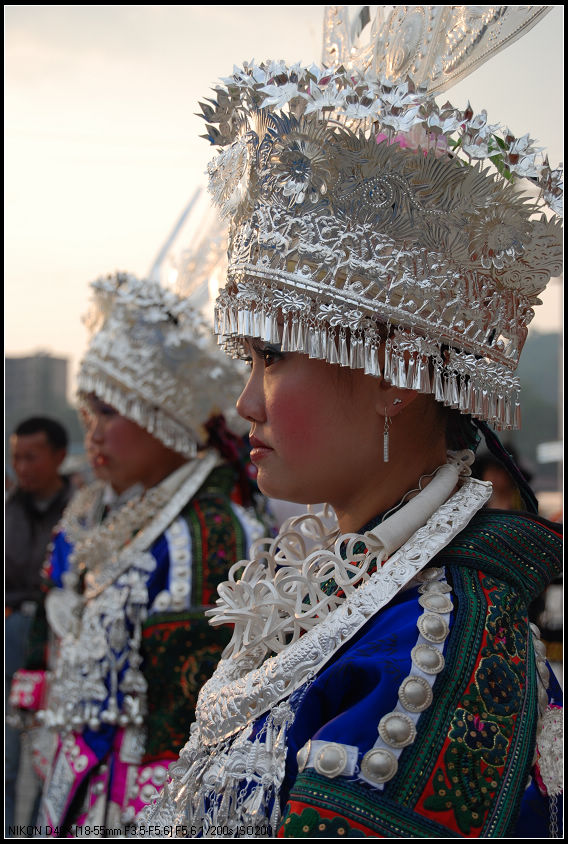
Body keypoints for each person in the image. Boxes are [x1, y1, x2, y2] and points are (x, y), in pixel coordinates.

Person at [141, 7, 563, 839]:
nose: (246, 405)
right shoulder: (344, 588)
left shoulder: (436, 653)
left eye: (274, 358)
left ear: (392, 377)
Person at [9, 273, 268, 836]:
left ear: (165, 419)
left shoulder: (213, 535)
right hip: (75, 775)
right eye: (88, 411)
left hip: (139, 806)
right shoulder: (102, 514)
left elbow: (199, 727)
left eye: (108, 411)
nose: (92, 432)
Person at [6, 416, 73, 836]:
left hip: (58, 645)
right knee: (7, 759)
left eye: (32, 457)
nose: (22, 467)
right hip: (11, 636)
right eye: (16, 457)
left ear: (59, 456)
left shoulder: (83, 513)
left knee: (52, 757)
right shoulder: (8, 510)